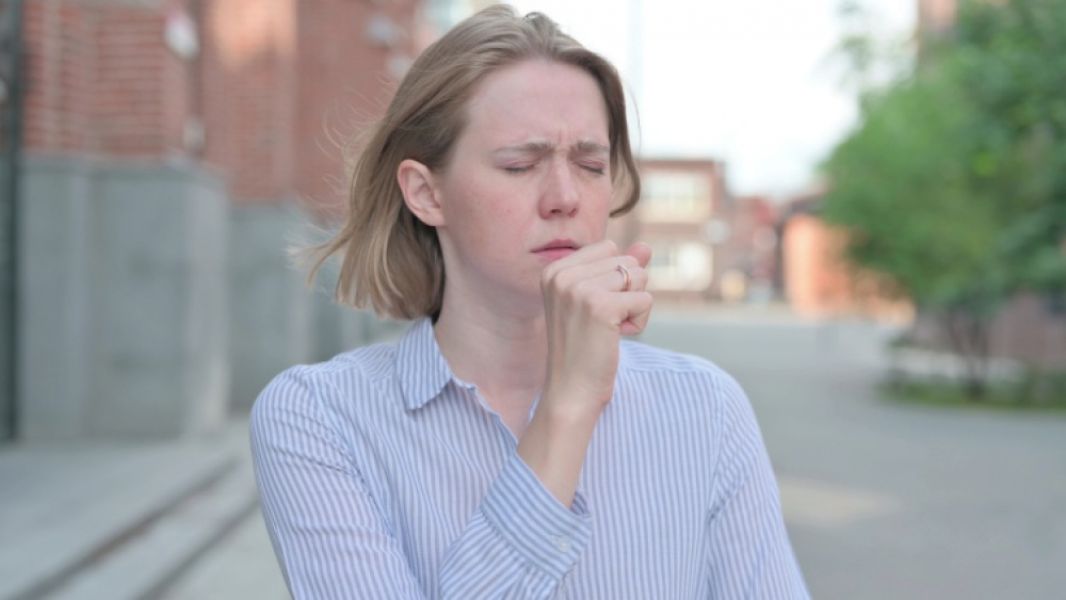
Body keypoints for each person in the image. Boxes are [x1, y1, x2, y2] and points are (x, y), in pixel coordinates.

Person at [250, 5, 809, 599]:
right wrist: (568, 405)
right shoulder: (321, 419)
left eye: (590, 165)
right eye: (520, 164)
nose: (566, 197)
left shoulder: (706, 408)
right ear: (426, 193)